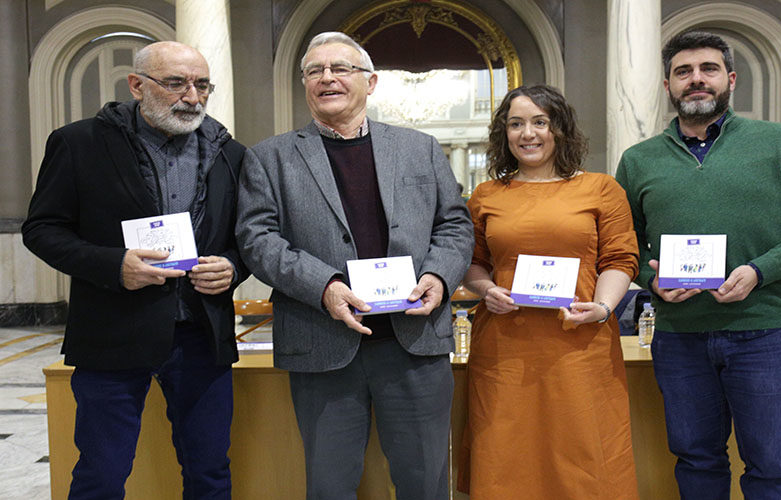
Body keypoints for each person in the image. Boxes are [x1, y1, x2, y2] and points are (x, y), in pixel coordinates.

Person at [235, 32, 473, 499]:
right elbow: (256, 238)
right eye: (314, 71)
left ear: (371, 81)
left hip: (413, 344)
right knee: (329, 487)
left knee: (425, 483)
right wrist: (323, 285)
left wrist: (439, 276)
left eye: (340, 68)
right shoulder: (269, 156)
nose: (327, 78)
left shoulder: (419, 147)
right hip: (322, 344)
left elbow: (455, 224)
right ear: (304, 83)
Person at [615, 31, 781, 500]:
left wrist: (759, 271)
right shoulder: (638, 160)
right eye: (683, 71)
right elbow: (624, 243)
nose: (696, 79)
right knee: (696, 460)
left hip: (764, 333)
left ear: (730, 79)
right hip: (680, 337)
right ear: (667, 86)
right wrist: (651, 279)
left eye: (708, 69)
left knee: (771, 466)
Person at [22, 41, 247, 498]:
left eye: (202, 85)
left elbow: (245, 238)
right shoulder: (79, 142)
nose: (192, 96)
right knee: (101, 475)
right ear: (137, 86)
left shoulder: (231, 152)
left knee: (209, 472)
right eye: (175, 83)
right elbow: (42, 229)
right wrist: (112, 264)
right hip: (114, 331)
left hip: (201, 335)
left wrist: (232, 266)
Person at [458, 84, 640, 499]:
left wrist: (603, 306)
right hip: (505, 348)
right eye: (516, 124)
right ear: (504, 134)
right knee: (506, 455)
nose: (528, 133)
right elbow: (473, 262)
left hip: (579, 346)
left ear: (560, 128)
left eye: (540, 122)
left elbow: (620, 259)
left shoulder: (601, 189)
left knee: (583, 458)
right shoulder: (487, 195)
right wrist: (485, 289)